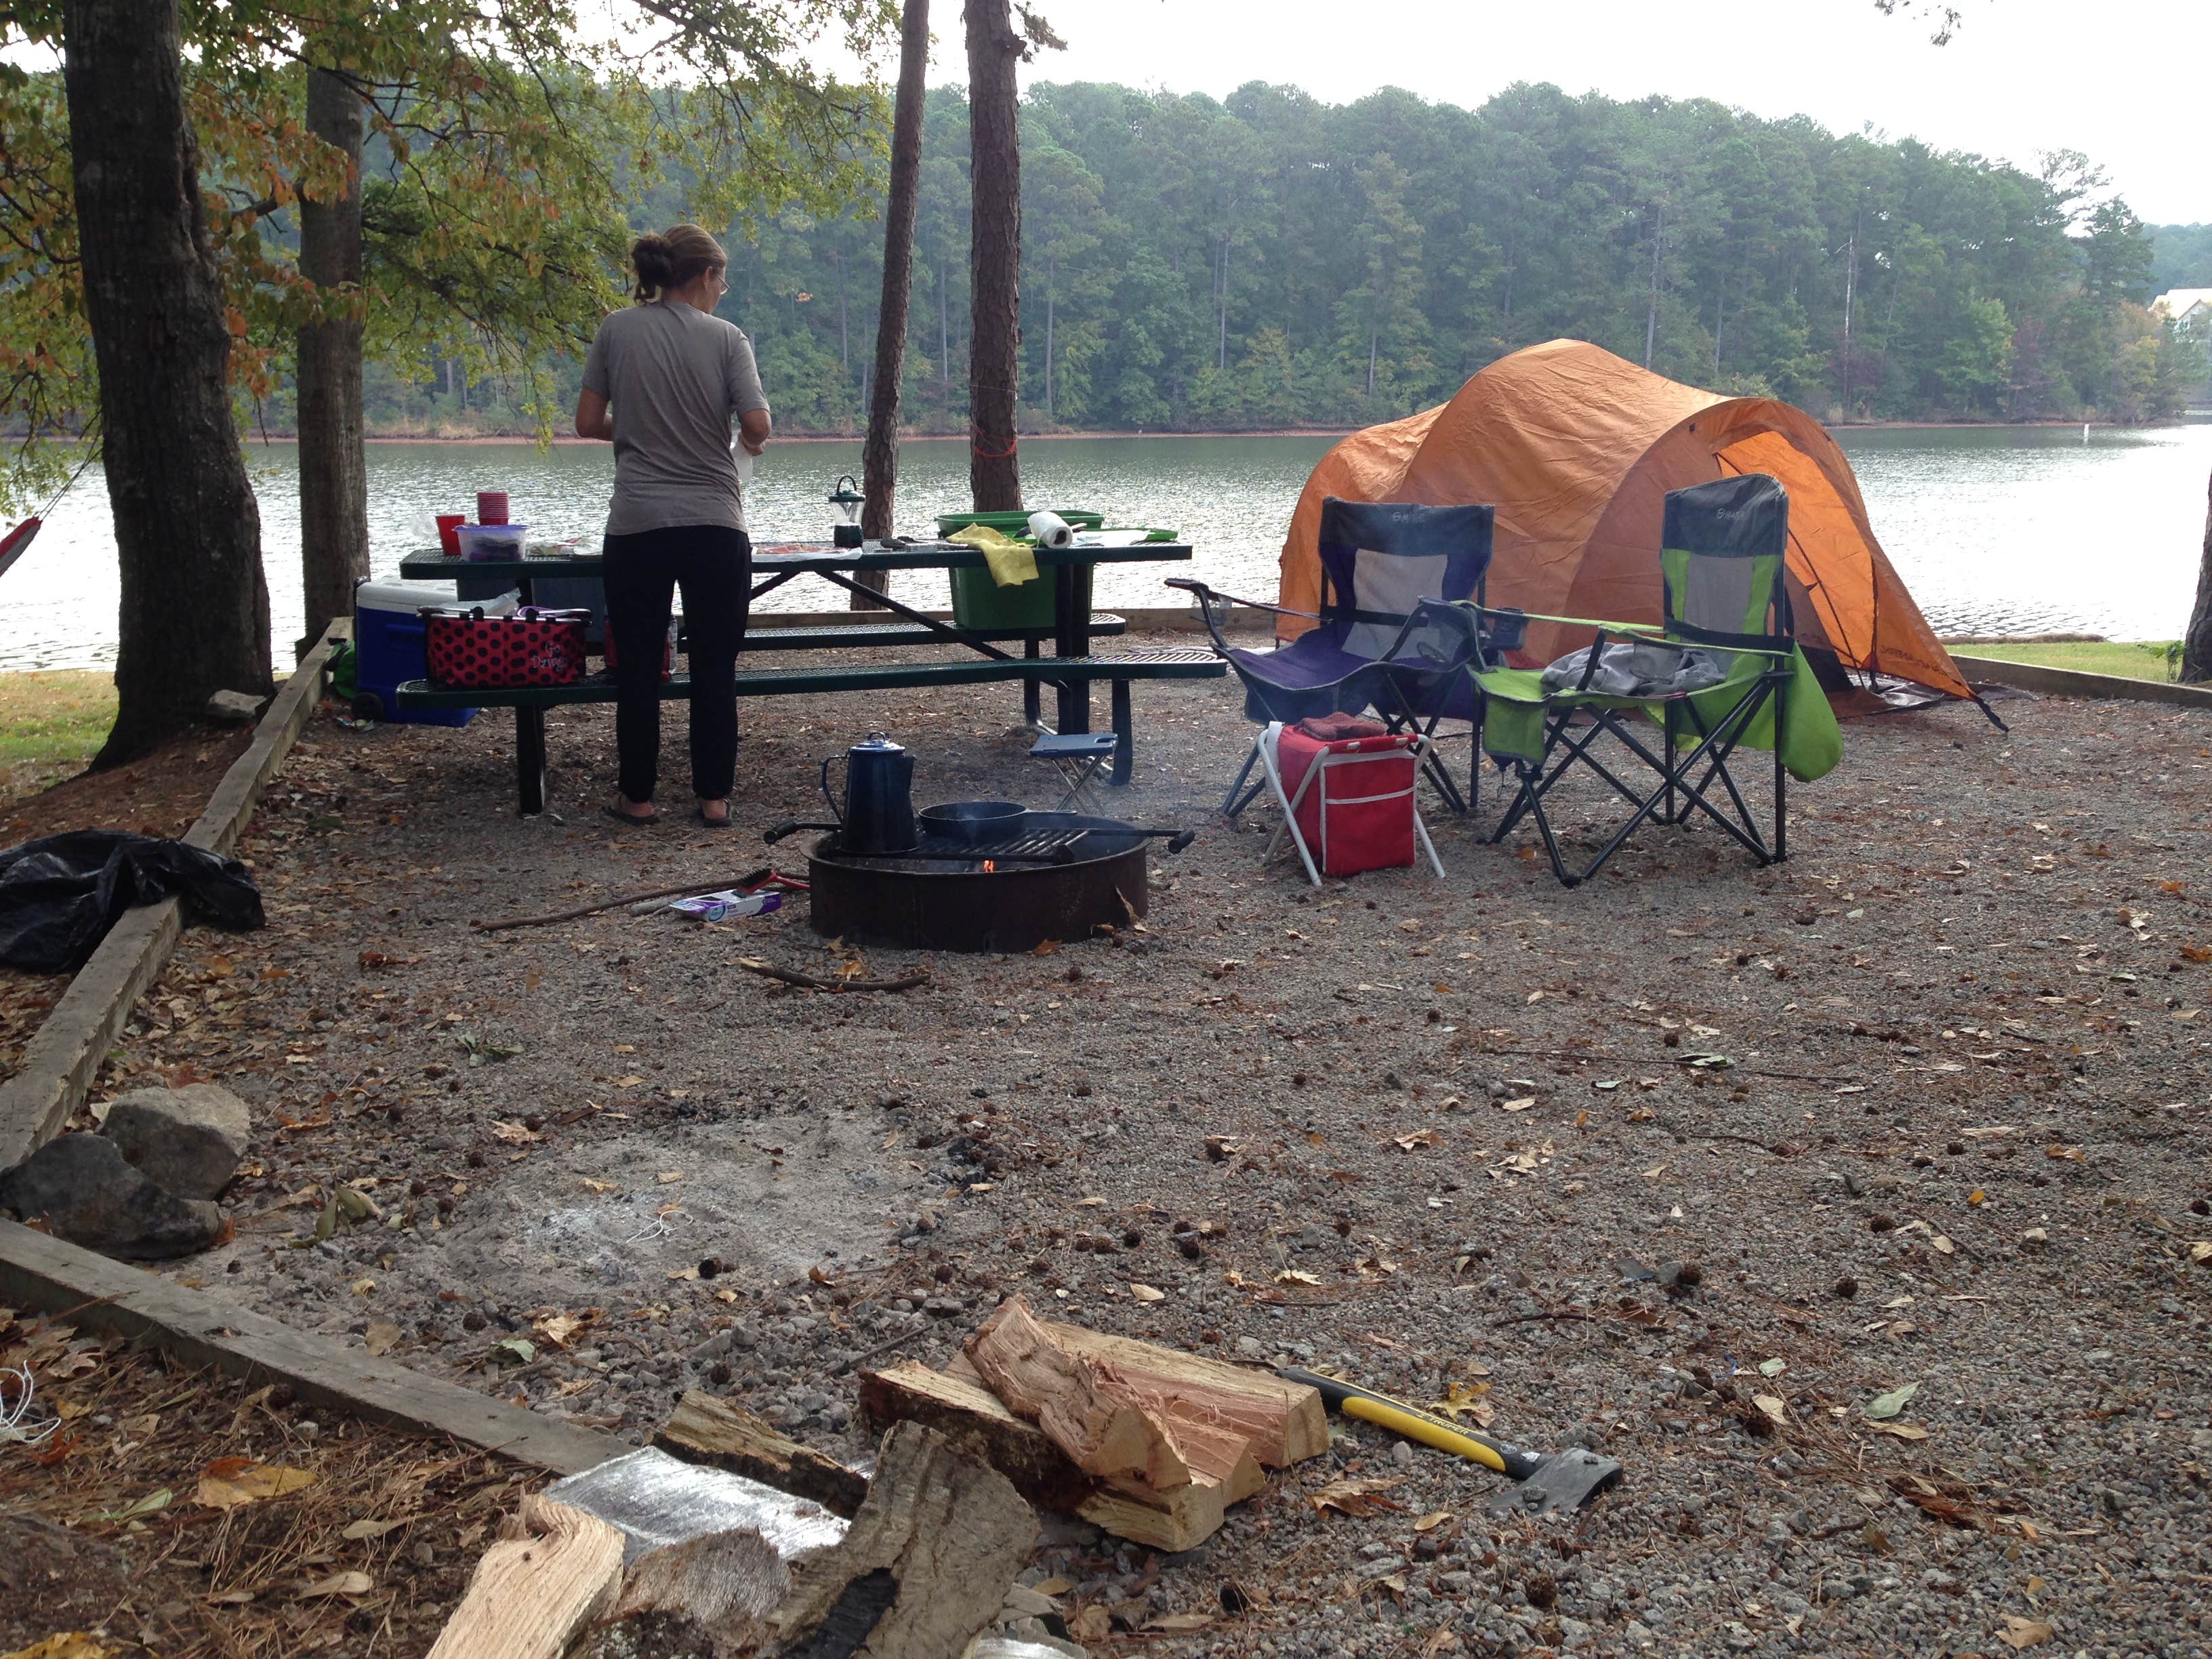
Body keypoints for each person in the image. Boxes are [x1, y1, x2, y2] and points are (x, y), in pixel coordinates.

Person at [574, 223, 771, 827]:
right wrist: (739, 442)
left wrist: (636, 430)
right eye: (722, 280)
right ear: (706, 276)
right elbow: (758, 424)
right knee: (715, 664)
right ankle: (714, 799)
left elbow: (587, 422)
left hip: (637, 526)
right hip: (715, 523)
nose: (724, 291)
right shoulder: (727, 338)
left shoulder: (617, 328)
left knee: (637, 665)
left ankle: (637, 797)